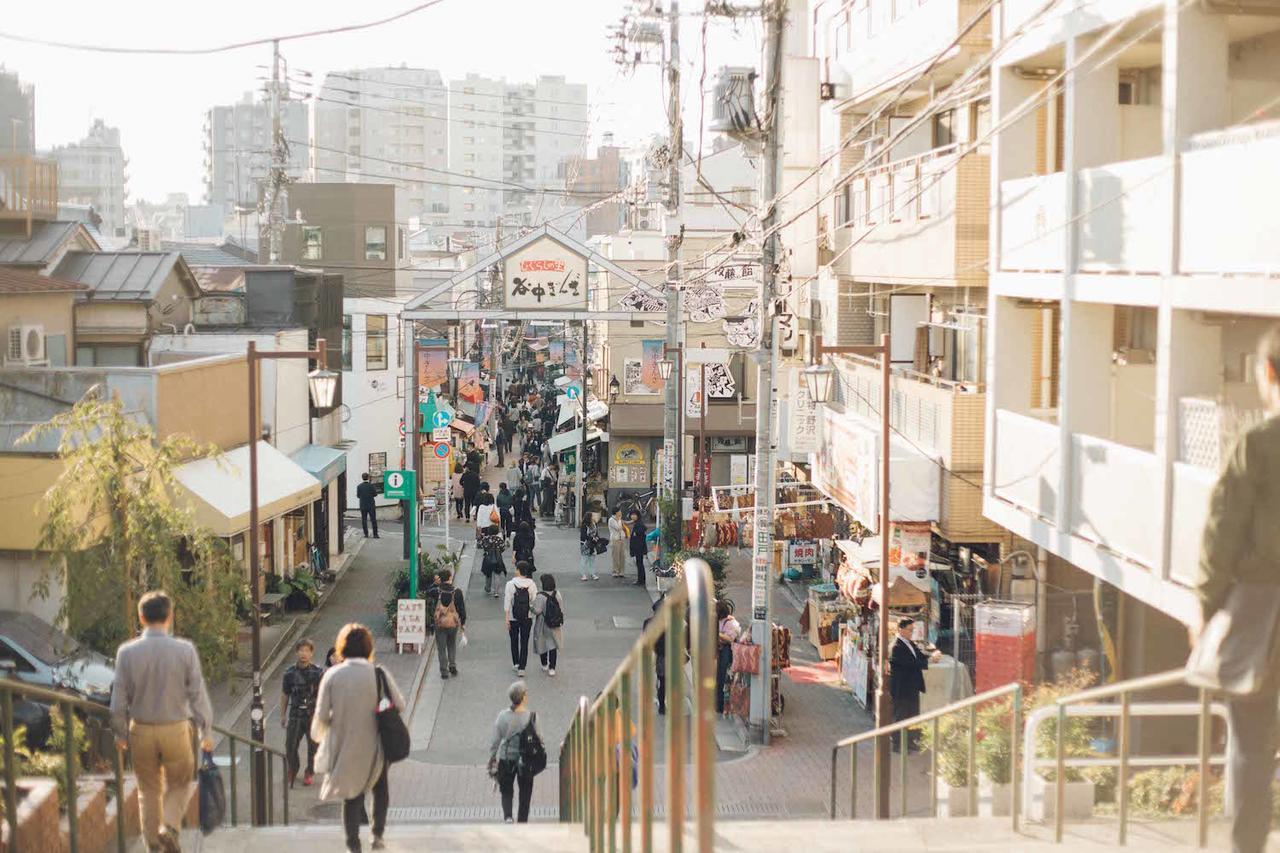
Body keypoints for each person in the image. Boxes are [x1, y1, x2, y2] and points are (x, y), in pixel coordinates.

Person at [1192, 326, 1280, 853]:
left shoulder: (1259, 444)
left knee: (1250, 742)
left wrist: (1205, 606)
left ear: (1267, 373)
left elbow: (1221, 532)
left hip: (1261, 614)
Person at [110, 591, 213, 853]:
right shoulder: (184, 650)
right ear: (169, 616)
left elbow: (118, 698)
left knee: (147, 790)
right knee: (179, 783)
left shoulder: (126, 652)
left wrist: (120, 733)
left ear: (141, 617)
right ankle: (169, 826)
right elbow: (197, 694)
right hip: (176, 728)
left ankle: (154, 846)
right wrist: (206, 730)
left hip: (141, 730)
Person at [312, 623, 406, 853]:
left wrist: (321, 736)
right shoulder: (378, 673)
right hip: (376, 744)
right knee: (380, 789)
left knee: (351, 795)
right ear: (368, 647)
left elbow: (322, 715)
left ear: (342, 647)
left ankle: (353, 844)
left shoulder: (332, 675)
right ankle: (377, 836)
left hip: (345, 745)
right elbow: (400, 704)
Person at [488, 681, 540, 823]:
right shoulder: (532, 717)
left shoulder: (502, 716)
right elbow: (539, 740)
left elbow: (495, 740)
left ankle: (508, 817)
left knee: (506, 790)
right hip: (526, 760)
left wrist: (492, 757)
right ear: (523, 698)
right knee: (525, 793)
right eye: (526, 693)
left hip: (506, 758)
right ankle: (522, 821)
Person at [887, 617, 940, 752]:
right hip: (902, 687)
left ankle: (911, 741)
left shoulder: (909, 643)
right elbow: (909, 664)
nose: (911, 633)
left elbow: (919, 656)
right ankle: (897, 744)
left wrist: (931, 656)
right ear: (901, 629)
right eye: (909, 630)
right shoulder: (896, 646)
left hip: (912, 686)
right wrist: (929, 662)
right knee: (900, 715)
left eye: (912, 630)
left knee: (912, 714)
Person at [280, 638, 324, 787]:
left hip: (313, 715)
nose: (304, 654)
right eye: (301, 650)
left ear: (311, 653)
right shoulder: (289, 673)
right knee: (290, 745)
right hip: (295, 713)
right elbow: (285, 694)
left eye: (307, 651)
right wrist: (282, 714)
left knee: (314, 747)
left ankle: (309, 771)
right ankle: (293, 768)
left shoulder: (318, 672)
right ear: (296, 652)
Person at [429, 568, 466, 679]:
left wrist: (434, 583)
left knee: (441, 648)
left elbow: (427, 592)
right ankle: (452, 665)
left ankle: (444, 671)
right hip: (453, 623)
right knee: (451, 644)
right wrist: (463, 623)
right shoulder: (457, 592)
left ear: (440, 579)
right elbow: (462, 609)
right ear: (450, 578)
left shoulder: (436, 591)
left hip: (439, 623)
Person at [504, 561, 538, 677]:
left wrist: (507, 618)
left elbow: (507, 601)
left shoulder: (510, 584)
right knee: (524, 641)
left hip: (513, 617)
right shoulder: (532, 584)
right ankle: (522, 668)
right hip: (527, 617)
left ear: (518, 570)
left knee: (514, 640)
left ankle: (516, 663)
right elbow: (534, 600)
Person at [531, 574, 564, 676]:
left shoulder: (540, 596)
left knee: (542, 643)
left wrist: (530, 607)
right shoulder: (557, 594)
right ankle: (552, 668)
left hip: (542, 623)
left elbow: (537, 611)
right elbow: (561, 607)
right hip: (554, 623)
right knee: (552, 645)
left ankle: (544, 663)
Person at [715, 600, 741, 715]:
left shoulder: (730, 623)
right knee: (718, 678)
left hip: (727, 653)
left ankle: (721, 706)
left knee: (722, 678)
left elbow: (730, 639)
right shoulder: (721, 621)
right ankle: (717, 703)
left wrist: (718, 634)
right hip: (720, 651)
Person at [479, 525, 508, 598]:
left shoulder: (485, 539)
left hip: (487, 558)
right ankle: (496, 592)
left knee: (488, 574)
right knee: (497, 575)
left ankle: (488, 588)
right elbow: (503, 548)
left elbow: (480, 546)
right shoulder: (499, 539)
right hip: (498, 559)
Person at [579, 511, 601, 582]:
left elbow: (596, 533)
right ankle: (583, 574)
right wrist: (592, 538)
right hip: (585, 544)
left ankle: (592, 574)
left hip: (593, 544)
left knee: (592, 559)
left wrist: (597, 537)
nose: (594, 517)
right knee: (584, 559)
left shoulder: (594, 524)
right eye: (593, 516)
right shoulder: (584, 525)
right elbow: (583, 536)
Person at [629, 512, 648, 588]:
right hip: (638, 547)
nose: (632, 516)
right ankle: (641, 579)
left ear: (637, 516)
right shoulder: (637, 523)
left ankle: (641, 580)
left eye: (634, 515)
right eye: (632, 515)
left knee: (639, 564)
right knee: (639, 563)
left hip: (639, 547)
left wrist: (636, 533)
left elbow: (641, 532)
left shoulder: (639, 524)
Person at [357, 473, 379, 538]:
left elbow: (358, 495)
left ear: (362, 478)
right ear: (368, 477)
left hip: (363, 505)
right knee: (373, 520)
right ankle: (375, 534)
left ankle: (366, 534)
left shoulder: (359, 486)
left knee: (364, 520)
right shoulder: (371, 486)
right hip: (371, 505)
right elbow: (375, 494)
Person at [608, 507, 628, 579]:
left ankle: (621, 572)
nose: (620, 512)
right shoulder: (611, 520)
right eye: (619, 511)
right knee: (615, 556)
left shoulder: (619, 519)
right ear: (616, 512)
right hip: (615, 539)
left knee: (622, 556)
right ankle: (615, 571)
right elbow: (618, 528)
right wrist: (622, 523)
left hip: (621, 538)